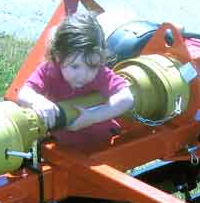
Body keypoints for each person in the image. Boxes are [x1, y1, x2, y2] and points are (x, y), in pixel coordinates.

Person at [16, 10, 134, 150]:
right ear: (59, 57)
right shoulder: (50, 70)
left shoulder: (100, 74)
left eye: (92, 66)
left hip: (98, 145)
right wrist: (38, 101)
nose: (84, 75)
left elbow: (127, 98)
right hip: (61, 143)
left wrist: (93, 116)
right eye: (75, 66)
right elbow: (23, 94)